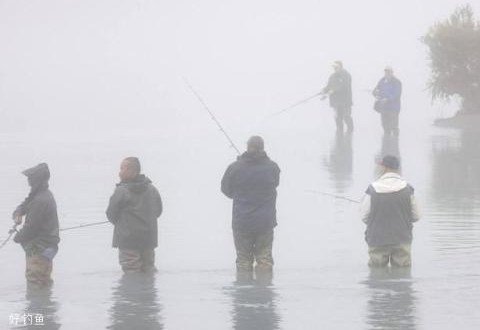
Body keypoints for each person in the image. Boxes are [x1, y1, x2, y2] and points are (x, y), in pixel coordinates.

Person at [221, 136, 280, 274]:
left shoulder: (234, 167)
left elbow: (225, 190)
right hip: (265, 222)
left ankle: (244, 291)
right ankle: (264, 289)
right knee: (264, 260)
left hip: (242, 221)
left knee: (243, 260)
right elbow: (275, 183)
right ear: (263, 147)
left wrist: (239, 195)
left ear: (247, 147)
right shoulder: (272, 167)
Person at [360, 155, 420, 267]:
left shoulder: (372, 189)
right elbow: (416, 216)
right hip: (402, 237)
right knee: (402, 275)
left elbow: (364, 216)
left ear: (384, 167)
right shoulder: (407, 189)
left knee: (377, 275)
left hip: (377, 239)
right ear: (397, 168)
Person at [106, 157, 163, 273]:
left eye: (123, 168)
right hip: (148, 239)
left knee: (131, 271)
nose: (119, 172)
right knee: (149, 269)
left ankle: (134, 292)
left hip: (128, 241)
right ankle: (147, 291)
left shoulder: (121, 191)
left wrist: (122, 224)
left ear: (133, 171)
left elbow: (111, 214)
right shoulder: (152, 189)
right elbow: (158, 211)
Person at [12, 163, 60, 287]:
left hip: (39, 250)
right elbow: (25, 204)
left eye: (31, 179)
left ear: (37, 180)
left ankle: (40, 306)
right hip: (45, 249)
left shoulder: (40, 200)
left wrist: (17, 238)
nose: (28, 182)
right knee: (43, 283)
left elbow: (30, 229)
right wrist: (18, 213)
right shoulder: (39, 195)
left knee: (36, 285)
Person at [321, 60, 354, 132]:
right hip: (336, 102)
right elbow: (329, 86)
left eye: (336, 67)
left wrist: (333, 90)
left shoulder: (346, 75)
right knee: (337, 118)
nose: (335, 69)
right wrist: (324, 90)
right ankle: (339, 134)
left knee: (346, 117)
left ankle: (350, 132)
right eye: (334, 67)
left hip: (345, 101)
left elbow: (344, 86)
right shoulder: (332, 76)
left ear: (341, 67)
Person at [373, 66, 402, 136]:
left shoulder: (397, 82)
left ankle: (395, 143)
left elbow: (397, 94)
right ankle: (386, 144)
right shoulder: (382, 81)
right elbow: (375, 90)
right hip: (384, 107)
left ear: (392, 73)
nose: (387, 73)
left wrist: (388, 99)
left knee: (394, 126)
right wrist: (376, 93)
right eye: (386, 72)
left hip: (394, 107)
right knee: (385, 126)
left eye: (389, 72)